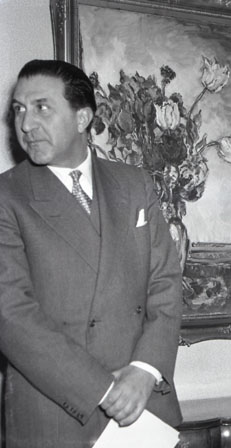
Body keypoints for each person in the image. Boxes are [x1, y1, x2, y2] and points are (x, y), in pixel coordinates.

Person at [0, 59, 184, 447]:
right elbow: (11, 315)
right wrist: (104, 390)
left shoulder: (135, 184)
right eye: (18, 109)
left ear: (82, 117)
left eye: (41, 107)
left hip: (143, 410)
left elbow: (166, 285)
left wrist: (145, 370)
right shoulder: (7, 197)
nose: (26, 124)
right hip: (55, 416)